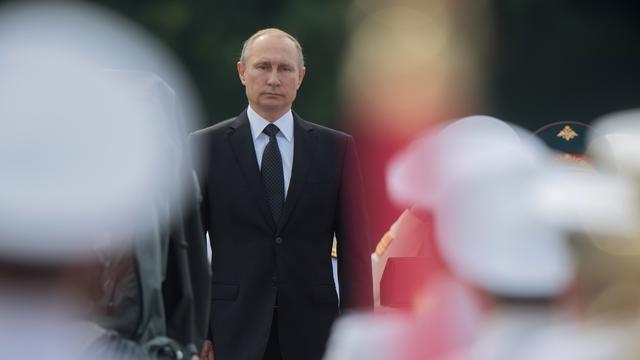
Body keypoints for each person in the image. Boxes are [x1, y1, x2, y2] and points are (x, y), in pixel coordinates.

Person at [189, 28, 373, 360]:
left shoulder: (336, 150)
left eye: (285, 69)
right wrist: (198, 330)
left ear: (300, 77)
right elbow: (190, 249)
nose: (274, 79)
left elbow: (355, 252)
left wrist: (360, 335)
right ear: (242, 72)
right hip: (231, 331)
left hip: (316, 332)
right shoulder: (206, 147)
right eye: (263, 67)